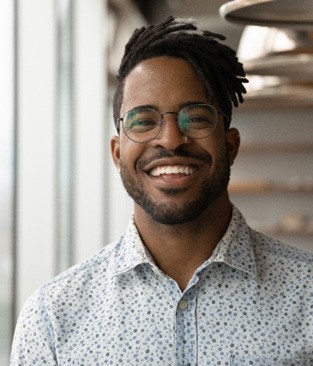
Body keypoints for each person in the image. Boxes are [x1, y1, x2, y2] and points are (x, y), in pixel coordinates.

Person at [11, 16, 313, 365]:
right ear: (117, 152)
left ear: (230, 146)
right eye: (143, 120)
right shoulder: (52, 319)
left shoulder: (308, 297)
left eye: (196, 117)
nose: (170, 139)